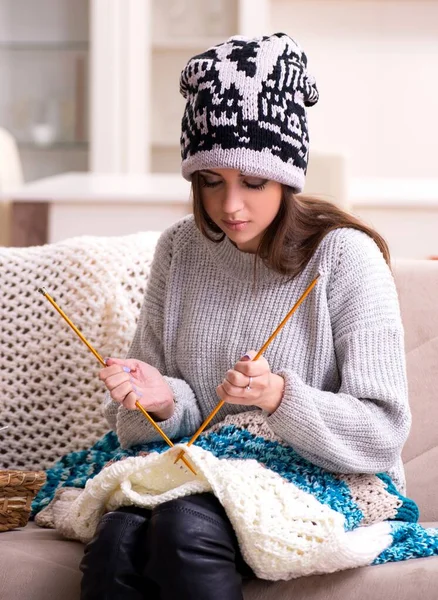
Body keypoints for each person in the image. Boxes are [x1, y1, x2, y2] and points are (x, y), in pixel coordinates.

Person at [79, 33, 411, 600]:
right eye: (211, 182)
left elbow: (382, 431)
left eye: (253, 182)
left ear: (287, 175)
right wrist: (162, 398)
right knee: (117, 541)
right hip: (201, 472)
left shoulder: (343, 257)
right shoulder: (180, 250)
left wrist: (280, 397)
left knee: (185, 530)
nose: (230, 205)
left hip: (324, 477)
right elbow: (140, 427)